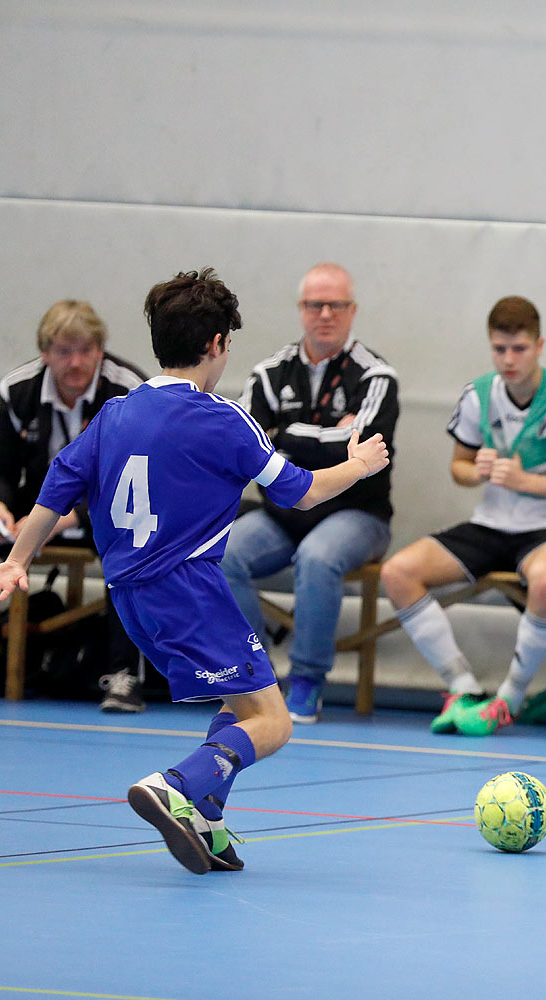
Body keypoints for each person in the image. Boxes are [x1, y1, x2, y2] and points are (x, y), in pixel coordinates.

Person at [0, 268, 389, 874]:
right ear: (217, 344)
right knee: (273, 722)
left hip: (129, 599)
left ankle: (207, 817)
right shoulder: (223, 419)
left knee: (242, 702)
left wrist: (15, 562)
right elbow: (298, 493)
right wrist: (356, 466)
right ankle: (177, 786)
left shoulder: (114, 413)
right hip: (189, 592)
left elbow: (53, 495)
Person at [380, 296, 546, 736]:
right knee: (398, 572)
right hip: (492, 523)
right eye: (499, 349)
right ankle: (463, 686)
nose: (509, 359)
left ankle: (511, 697)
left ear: (539, 345)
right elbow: (459, 468)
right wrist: (476, 471)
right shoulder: (478, 395)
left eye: (519, 349)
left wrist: (530, 482)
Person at [221, 263, 399, 724]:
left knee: (317, 558)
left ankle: (307, 681)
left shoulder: (378, 377)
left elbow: (368, 444)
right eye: (314, 304)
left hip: (357, 514)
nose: (325, 313)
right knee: (223, 556)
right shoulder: (267, 374)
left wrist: (286, 435)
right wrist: (330, 437)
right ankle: (256, 678)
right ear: (300, 310)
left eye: (336, 304)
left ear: (352, 310)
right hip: (285, 510)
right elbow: (248, 446)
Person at [0, 299, 150, 712]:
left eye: (86, 351)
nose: (76, 363)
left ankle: (125, 677)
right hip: (30, 506)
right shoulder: (18, 390)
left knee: (130, 549)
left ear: (100, 350)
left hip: (109, 510)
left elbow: (143, 481)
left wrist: (70, 515)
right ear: (44, 353)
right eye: (63, 352)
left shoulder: (129, 391)